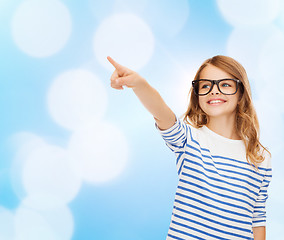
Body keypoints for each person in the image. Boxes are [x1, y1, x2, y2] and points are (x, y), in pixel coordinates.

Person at [107, 55, 272, 240]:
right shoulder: (188, 139)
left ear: (241, 93)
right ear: (197, 96)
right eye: (205, 86)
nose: (214, 91)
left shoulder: (260, 157)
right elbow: (160, 111)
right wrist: (138, 84)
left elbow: (257, 218)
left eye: (225, 84)